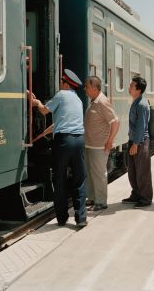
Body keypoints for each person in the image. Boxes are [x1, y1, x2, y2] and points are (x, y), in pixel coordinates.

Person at [32, 69, 87, 227]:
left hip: (63, 142)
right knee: (79, 179)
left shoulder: (61, 95)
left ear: (65, 83)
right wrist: (43, 133)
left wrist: (36, 103)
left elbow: (44, 111)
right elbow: (60, 122)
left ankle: (62, 218)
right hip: (78, 141)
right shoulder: (78, 100)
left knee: (60, 179)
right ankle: (81, 218)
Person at [84, 76, 120, 211]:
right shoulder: (94, 101)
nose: (85, 89)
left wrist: (110, 141)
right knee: (91, 173)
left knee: (99, 173)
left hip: (99, 146)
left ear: (94, 87)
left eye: (86, 86)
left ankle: (101, 201)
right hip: (90, 144)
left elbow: (115, 123)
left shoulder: (102, 102)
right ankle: (93, 198)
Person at [121, 76, 152, 208]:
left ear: (138, 90)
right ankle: (136, 194)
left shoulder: (142, 104)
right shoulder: (136, 101)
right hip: (134, 140)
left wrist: (135, 144)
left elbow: (141, 126)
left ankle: (145, 198)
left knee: (142, 172)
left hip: (140, 142)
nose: (129, 88)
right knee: (133, 171)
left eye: (131, 86)